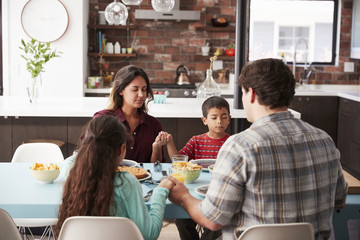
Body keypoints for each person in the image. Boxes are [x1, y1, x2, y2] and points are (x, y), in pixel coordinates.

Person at [167, 58, 348, 240]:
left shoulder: (240, 146)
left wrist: (183, 197)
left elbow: (213, 219)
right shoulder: (325, 140)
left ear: (251, 94)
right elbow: (339, 200)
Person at [55, 115, 174, 240]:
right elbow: (149, 235)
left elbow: (68, 162)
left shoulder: (72, 173)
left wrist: (87, 152)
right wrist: (161, 191)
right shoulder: (126, 182)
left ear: (87, 147)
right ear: (122, 149)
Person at [156, 96, 231, 240]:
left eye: (224, 117)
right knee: (183, 220)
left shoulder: (231, 142)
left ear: (229, 119)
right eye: (214, 117)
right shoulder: (196, 141)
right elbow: (178, 161)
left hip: (218, 194)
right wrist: (170, 142)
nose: (219, 121)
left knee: (217, 223)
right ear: (204, 120)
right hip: (194, 192)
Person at [94, 65, 166, 163]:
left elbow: (155, 168)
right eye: (135, 89)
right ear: (120, 90)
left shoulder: (154, 124)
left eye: (144, 89)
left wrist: (156, 148)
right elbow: (91, 157)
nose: (141, 95)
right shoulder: (102, 119)